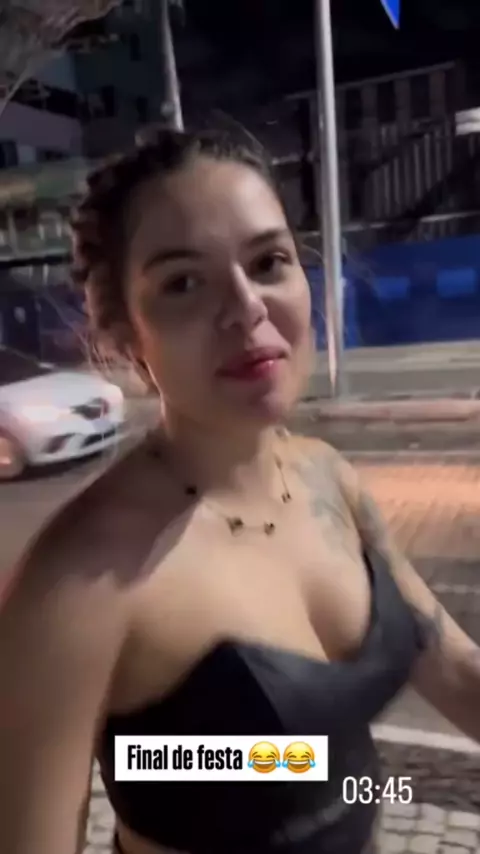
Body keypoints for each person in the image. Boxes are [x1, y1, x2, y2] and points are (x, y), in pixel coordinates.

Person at [1, 126, 480, 854]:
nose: (246, 306)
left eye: (268, 262)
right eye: (183, 283)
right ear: (127, 335)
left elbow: (452, 669)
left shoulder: (327, 476)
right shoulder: (80, 580)